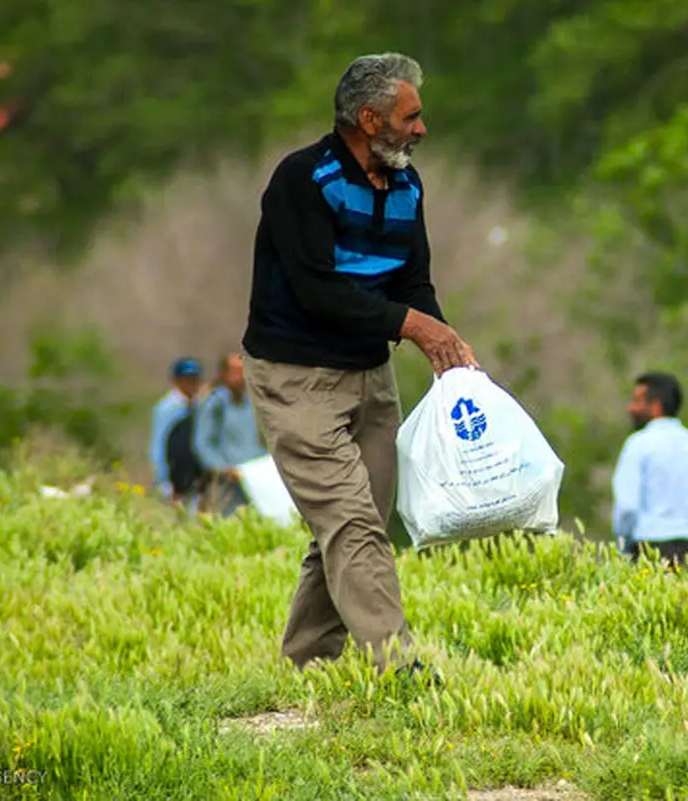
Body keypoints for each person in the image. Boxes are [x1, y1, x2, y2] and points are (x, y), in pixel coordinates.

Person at [240, 52, 478, 679]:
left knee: (358, 524)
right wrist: (412, 325)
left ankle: (307, 666)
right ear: (370, 119)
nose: (422, 129)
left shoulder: (406, 185)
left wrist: (444, 347)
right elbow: (319, 291)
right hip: (297, 378)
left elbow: (412, 281)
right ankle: (398, 668)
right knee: (350, 521)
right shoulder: (303, 180)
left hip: (371, 376)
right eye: (412, 116)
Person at [611, 371, 688, 567]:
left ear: (656, 405)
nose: (630, 408)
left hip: (650, 553)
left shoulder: (637, 445)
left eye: (637, 401)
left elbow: (627, 507)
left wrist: (624, 548)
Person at [193, 350, 268, 517]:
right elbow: (203, 443)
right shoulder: (214, 404)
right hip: (228, 481)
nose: (239, 377)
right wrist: (223, 468)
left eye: (242, 371)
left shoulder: (254, 402)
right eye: (235, 371)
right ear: (224, 374)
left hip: (258, 479)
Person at [148, 357, 207, 512]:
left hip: (194, 480)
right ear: (177, 381)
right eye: (187, 380)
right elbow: (158, 444)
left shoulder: (199, 407)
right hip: (173, 480)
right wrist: (163, 481)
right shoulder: (167, 408)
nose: (191, 384)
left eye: (194, 380)